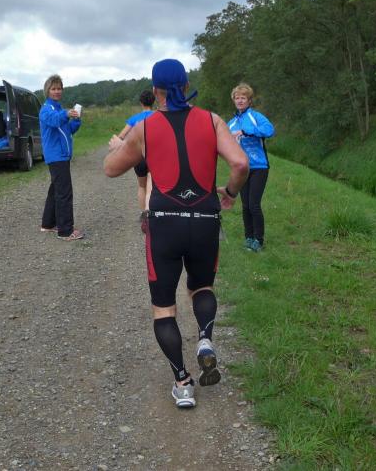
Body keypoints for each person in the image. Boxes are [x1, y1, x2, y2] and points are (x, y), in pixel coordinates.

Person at [104, 59, 249, 408]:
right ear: (186, 86)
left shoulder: (145, 127)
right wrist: (229, 193)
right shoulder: (212, 120)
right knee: (202, 287)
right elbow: (241, 163)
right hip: (204, 219)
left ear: (156, 91)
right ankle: (205, 338)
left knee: (164, 308)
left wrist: (119, 148)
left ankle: (183, 383)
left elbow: (110, 170)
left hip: (165, 223)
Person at [227, 83, 275, 253]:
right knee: (245, 205)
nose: (240, 100)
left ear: (249, 100)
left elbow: (269, 130)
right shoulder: (231, 123)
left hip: (259, 167)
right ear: (234, 100)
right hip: (242, 169)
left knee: (254, 204)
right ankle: (248, 238)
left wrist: (245, 131)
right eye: (237, 98)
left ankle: (258, 241)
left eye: (243, 98)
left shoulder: (255, 117)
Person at [39, 74, 84, 240]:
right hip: (56, 156)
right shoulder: (46, 109)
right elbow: (54, 121)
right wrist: (66, 114)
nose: (57, 91)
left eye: (59, 88)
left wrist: (76, 120)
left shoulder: (58, 109)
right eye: (54, 89)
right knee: (64, 193)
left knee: (55, 190)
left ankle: (48, 224)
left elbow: (68, 130)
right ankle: (65, 231)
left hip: (62, 155)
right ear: (48, 91)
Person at [110, 90, 156, 212]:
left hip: (138, 157)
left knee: (141, 186)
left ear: (141, 102)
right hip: (154, 155)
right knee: (151, 185)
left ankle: (143, 214)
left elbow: (121, 136)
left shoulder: (134, 119)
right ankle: (150, 212)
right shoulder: (158, 116)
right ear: (153, 102)